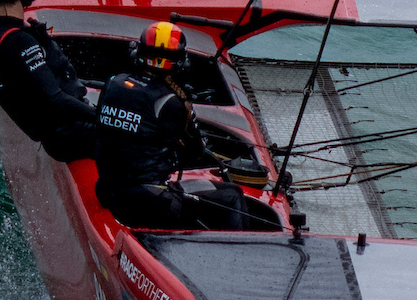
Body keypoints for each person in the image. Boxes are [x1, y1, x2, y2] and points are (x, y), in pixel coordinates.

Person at [94, 22, 280, 231]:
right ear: (180, 64)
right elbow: (196, 152)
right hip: (150, 202)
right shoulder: (172, 103)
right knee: (232, 195)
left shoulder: (112, 83)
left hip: (108, 193)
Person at [0, 0, 97, 161]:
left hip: (51, 132)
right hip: (67, 134)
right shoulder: (20, 41)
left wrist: (45, 43)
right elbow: (56, 100)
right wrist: (102, 117)